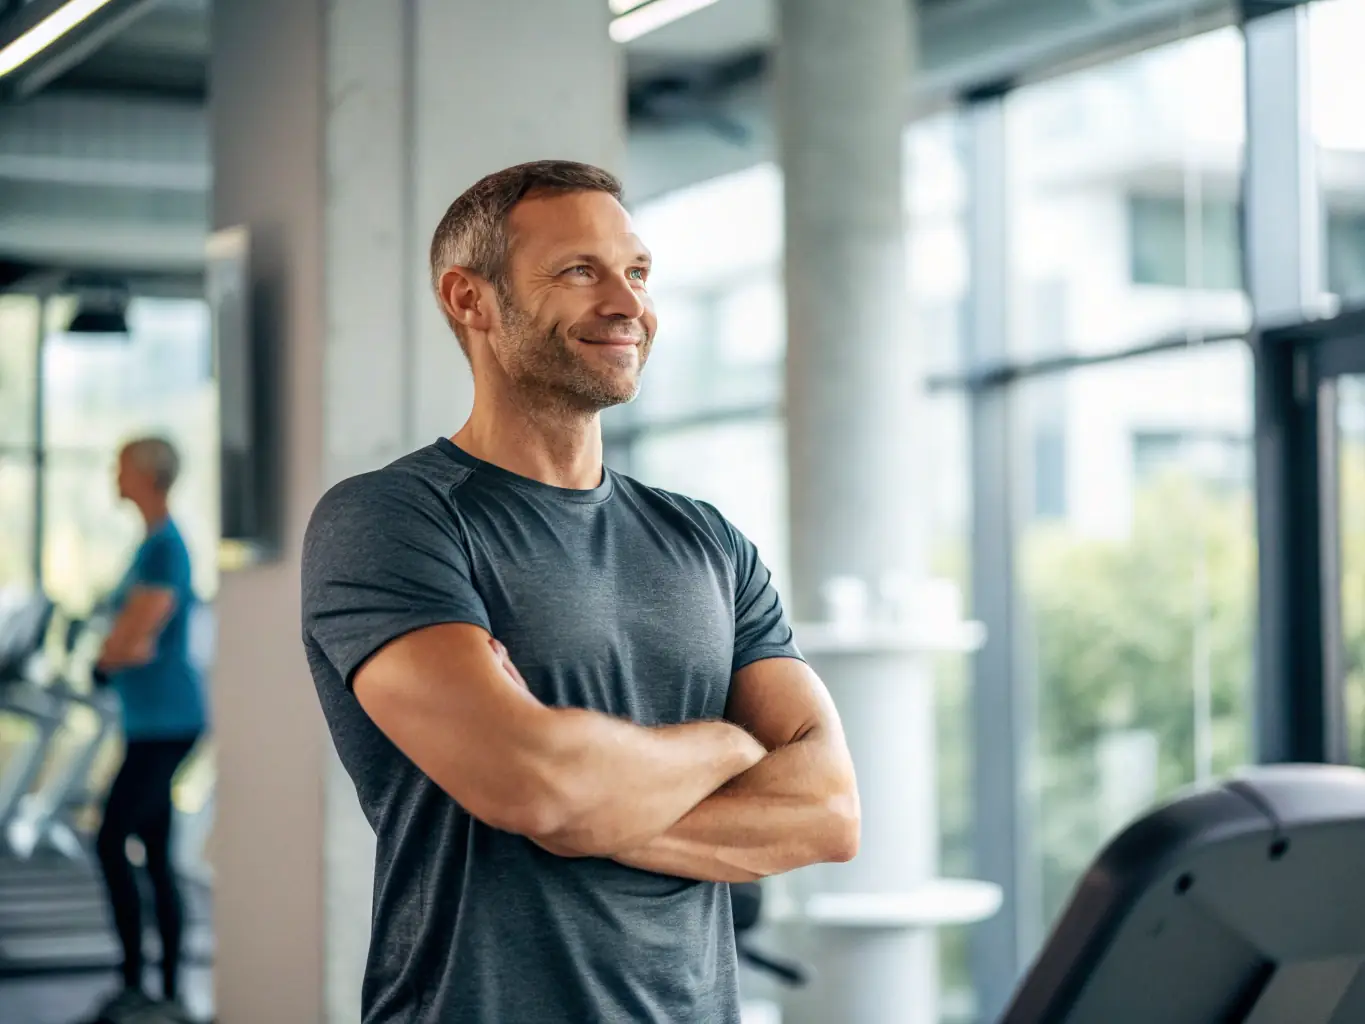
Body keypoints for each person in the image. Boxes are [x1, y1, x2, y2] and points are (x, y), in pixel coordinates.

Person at [301, 160, 861, 1024]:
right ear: (469, 300)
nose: (628, 304)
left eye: (635, 272)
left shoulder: (707, 541)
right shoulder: (390, 521)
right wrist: (726, 746)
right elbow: (534, 785)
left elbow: (827, 810)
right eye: (578, 271)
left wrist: (584, 810)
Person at [88, 436, 206, 1024]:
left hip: (168, 720)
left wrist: (103, 657)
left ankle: (141, 984)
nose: (114, 472)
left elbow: (137, 638)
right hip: (151, 721)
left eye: (120, 463)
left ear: (145, 474)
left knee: (111, 840)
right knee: (154, 853)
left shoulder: (165, 548)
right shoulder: (154, 543)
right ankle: (161, 991)